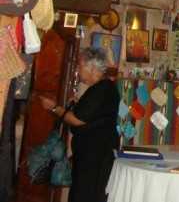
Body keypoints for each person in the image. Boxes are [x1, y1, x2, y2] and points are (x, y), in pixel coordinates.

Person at [39, 47, 120, 202]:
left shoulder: (103, 88)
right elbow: (90, 116)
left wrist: (54, 107)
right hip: (91, 153)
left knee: (86, 195)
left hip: (96, 155)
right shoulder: (98, 88)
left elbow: (77, 119)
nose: (78, 69)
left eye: (80, 65)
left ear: (92, 67)